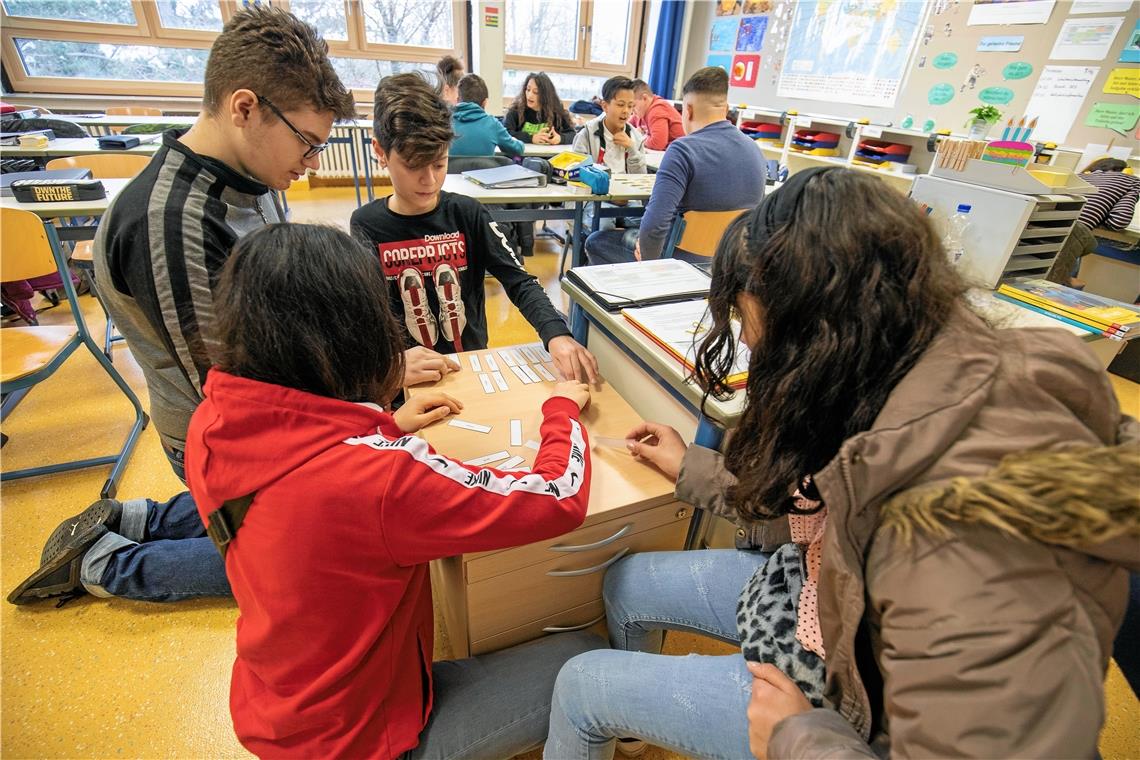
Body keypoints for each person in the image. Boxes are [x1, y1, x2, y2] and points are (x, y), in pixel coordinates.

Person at [544, 167, 1139, 759]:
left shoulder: (957, 529)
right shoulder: (902, 362)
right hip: (822, 601)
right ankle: (634, 732)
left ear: (816, 331)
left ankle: (616, 718)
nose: (749, 346)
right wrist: (691, 467)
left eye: (754, 328)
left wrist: (794, 738)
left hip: (843, 710)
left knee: (579, 686)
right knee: (629, 579)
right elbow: (821, 502)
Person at [8, 7, 454, 607]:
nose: (312, 163)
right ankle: (108, 563)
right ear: (245, 108)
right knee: (333, 552)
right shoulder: (170, 224)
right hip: (216, 436)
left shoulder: (255, 177)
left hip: (277, 414)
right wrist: (367, 416)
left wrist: (373, 393)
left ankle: (143, 519)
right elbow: (239, 401)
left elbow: (290, 313)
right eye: (306, 142)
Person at [187, 222, 602, 758]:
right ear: (356, 333)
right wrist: (562, 409)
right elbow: (557, 497)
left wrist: (382, 426)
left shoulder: (214, 419)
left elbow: (306, 476)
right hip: (363, 737)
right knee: (585, 659)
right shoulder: (378, 480)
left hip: (281, 707)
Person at [351, 73, 599, 383]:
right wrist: (391, 366)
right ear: (380, 152)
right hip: (408, 377)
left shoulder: (468, 213)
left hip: (470, 367)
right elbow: (365, 316)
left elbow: (518, 280)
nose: (429, 180)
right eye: (414, 166)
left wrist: (556, 333)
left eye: (440, 164)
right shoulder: (366, 224)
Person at [585, 66, 765, 266]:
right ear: (725, 107)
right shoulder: (754, 150)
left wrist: (649, 267)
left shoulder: (683, 151)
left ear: (687, 110)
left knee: (596, 242)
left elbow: (655, 226)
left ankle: (646, 294)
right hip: (726, 264)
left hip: (676, 263)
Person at [1047, 157, 1140, 286]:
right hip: (1071, 236)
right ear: (1126, 171)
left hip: (1042, 226)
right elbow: (1119, 221)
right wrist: (1100, 215)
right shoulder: (1131, 181)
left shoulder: (1078, 176)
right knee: (1053, 286)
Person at [572, 76, 647, 176]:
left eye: (630, 106)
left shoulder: (636, 137)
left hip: (627, 190)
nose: (626, 111)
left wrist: (632, 148)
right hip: (596, 190)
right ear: (605, 106)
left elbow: (641, 178)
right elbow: (577, 173)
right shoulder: (587, 134)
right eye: (620, 105)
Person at [449, 73, 524, 157]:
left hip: (452, 170)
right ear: (485, 102)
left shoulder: (444, 123)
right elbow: (518, 149)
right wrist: (515, 140)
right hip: (483, 170)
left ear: (457, 100)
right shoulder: (492, 124)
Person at [503, 72, 576, 146]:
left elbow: (573, 135)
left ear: (545, 96)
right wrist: (531, 138)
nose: (530, 95)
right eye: (528, 90)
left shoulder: (557, 112)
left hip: (548, 155)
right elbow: (505, 134)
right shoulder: (515, 111)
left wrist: (560, 138)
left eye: (536, 92)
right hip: (521, 156)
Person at [629, 79, 683, 151]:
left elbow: (658, 143)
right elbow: (625, 127)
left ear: (645, 98)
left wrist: (639, 137)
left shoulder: (657, 110)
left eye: (633, 105)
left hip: (680, 152)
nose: (631, 110)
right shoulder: (640, 111)